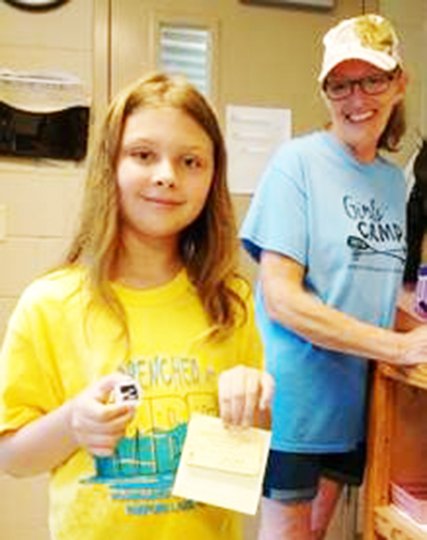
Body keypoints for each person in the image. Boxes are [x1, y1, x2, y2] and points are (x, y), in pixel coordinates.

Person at [0, 72, 274, 540]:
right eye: (143, 155)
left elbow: (243, 465)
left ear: (212, 178)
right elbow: (11, 457)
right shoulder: (50, 304)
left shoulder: (230, 303)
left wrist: (253, 407)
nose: (167, 175)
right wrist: (73, 423)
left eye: (191, 161)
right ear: (110, 166)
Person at [240, 14, 427, 540]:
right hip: (295, 402)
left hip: (355, 402)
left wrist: (411, 329)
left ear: (399, 83)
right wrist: (399, 347)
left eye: (373, 79)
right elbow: (283, 299)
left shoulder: (392, 182)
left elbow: (365, 288)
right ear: (324, 92)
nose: (357, 98)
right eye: (340, 85)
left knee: (319, 533)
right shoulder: (295, 165)